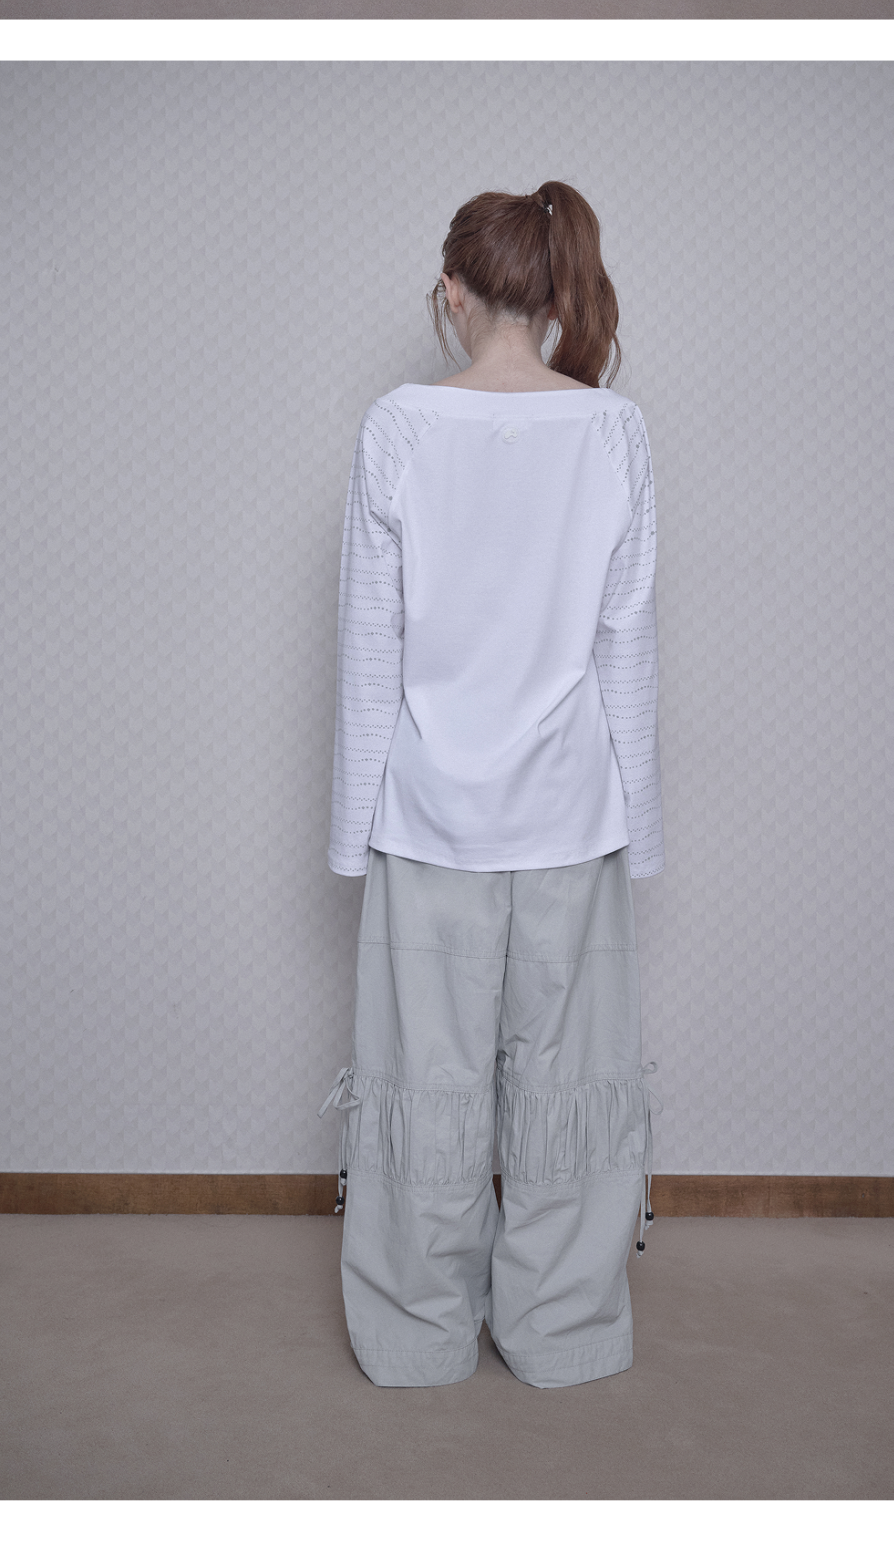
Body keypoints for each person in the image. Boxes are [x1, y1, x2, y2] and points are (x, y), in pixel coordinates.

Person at [326, 177, 663, 1389]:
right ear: (553, 291)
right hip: (574, 812)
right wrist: (643, 831)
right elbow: (626, 645)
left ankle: (416, 1334)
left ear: (453, 290)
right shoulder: (612, 430)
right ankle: (562, 1331)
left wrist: (352, 837)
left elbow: (371, 650)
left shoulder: (399, 426)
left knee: (425, 1082)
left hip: (428, 816)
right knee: (570, 1081)